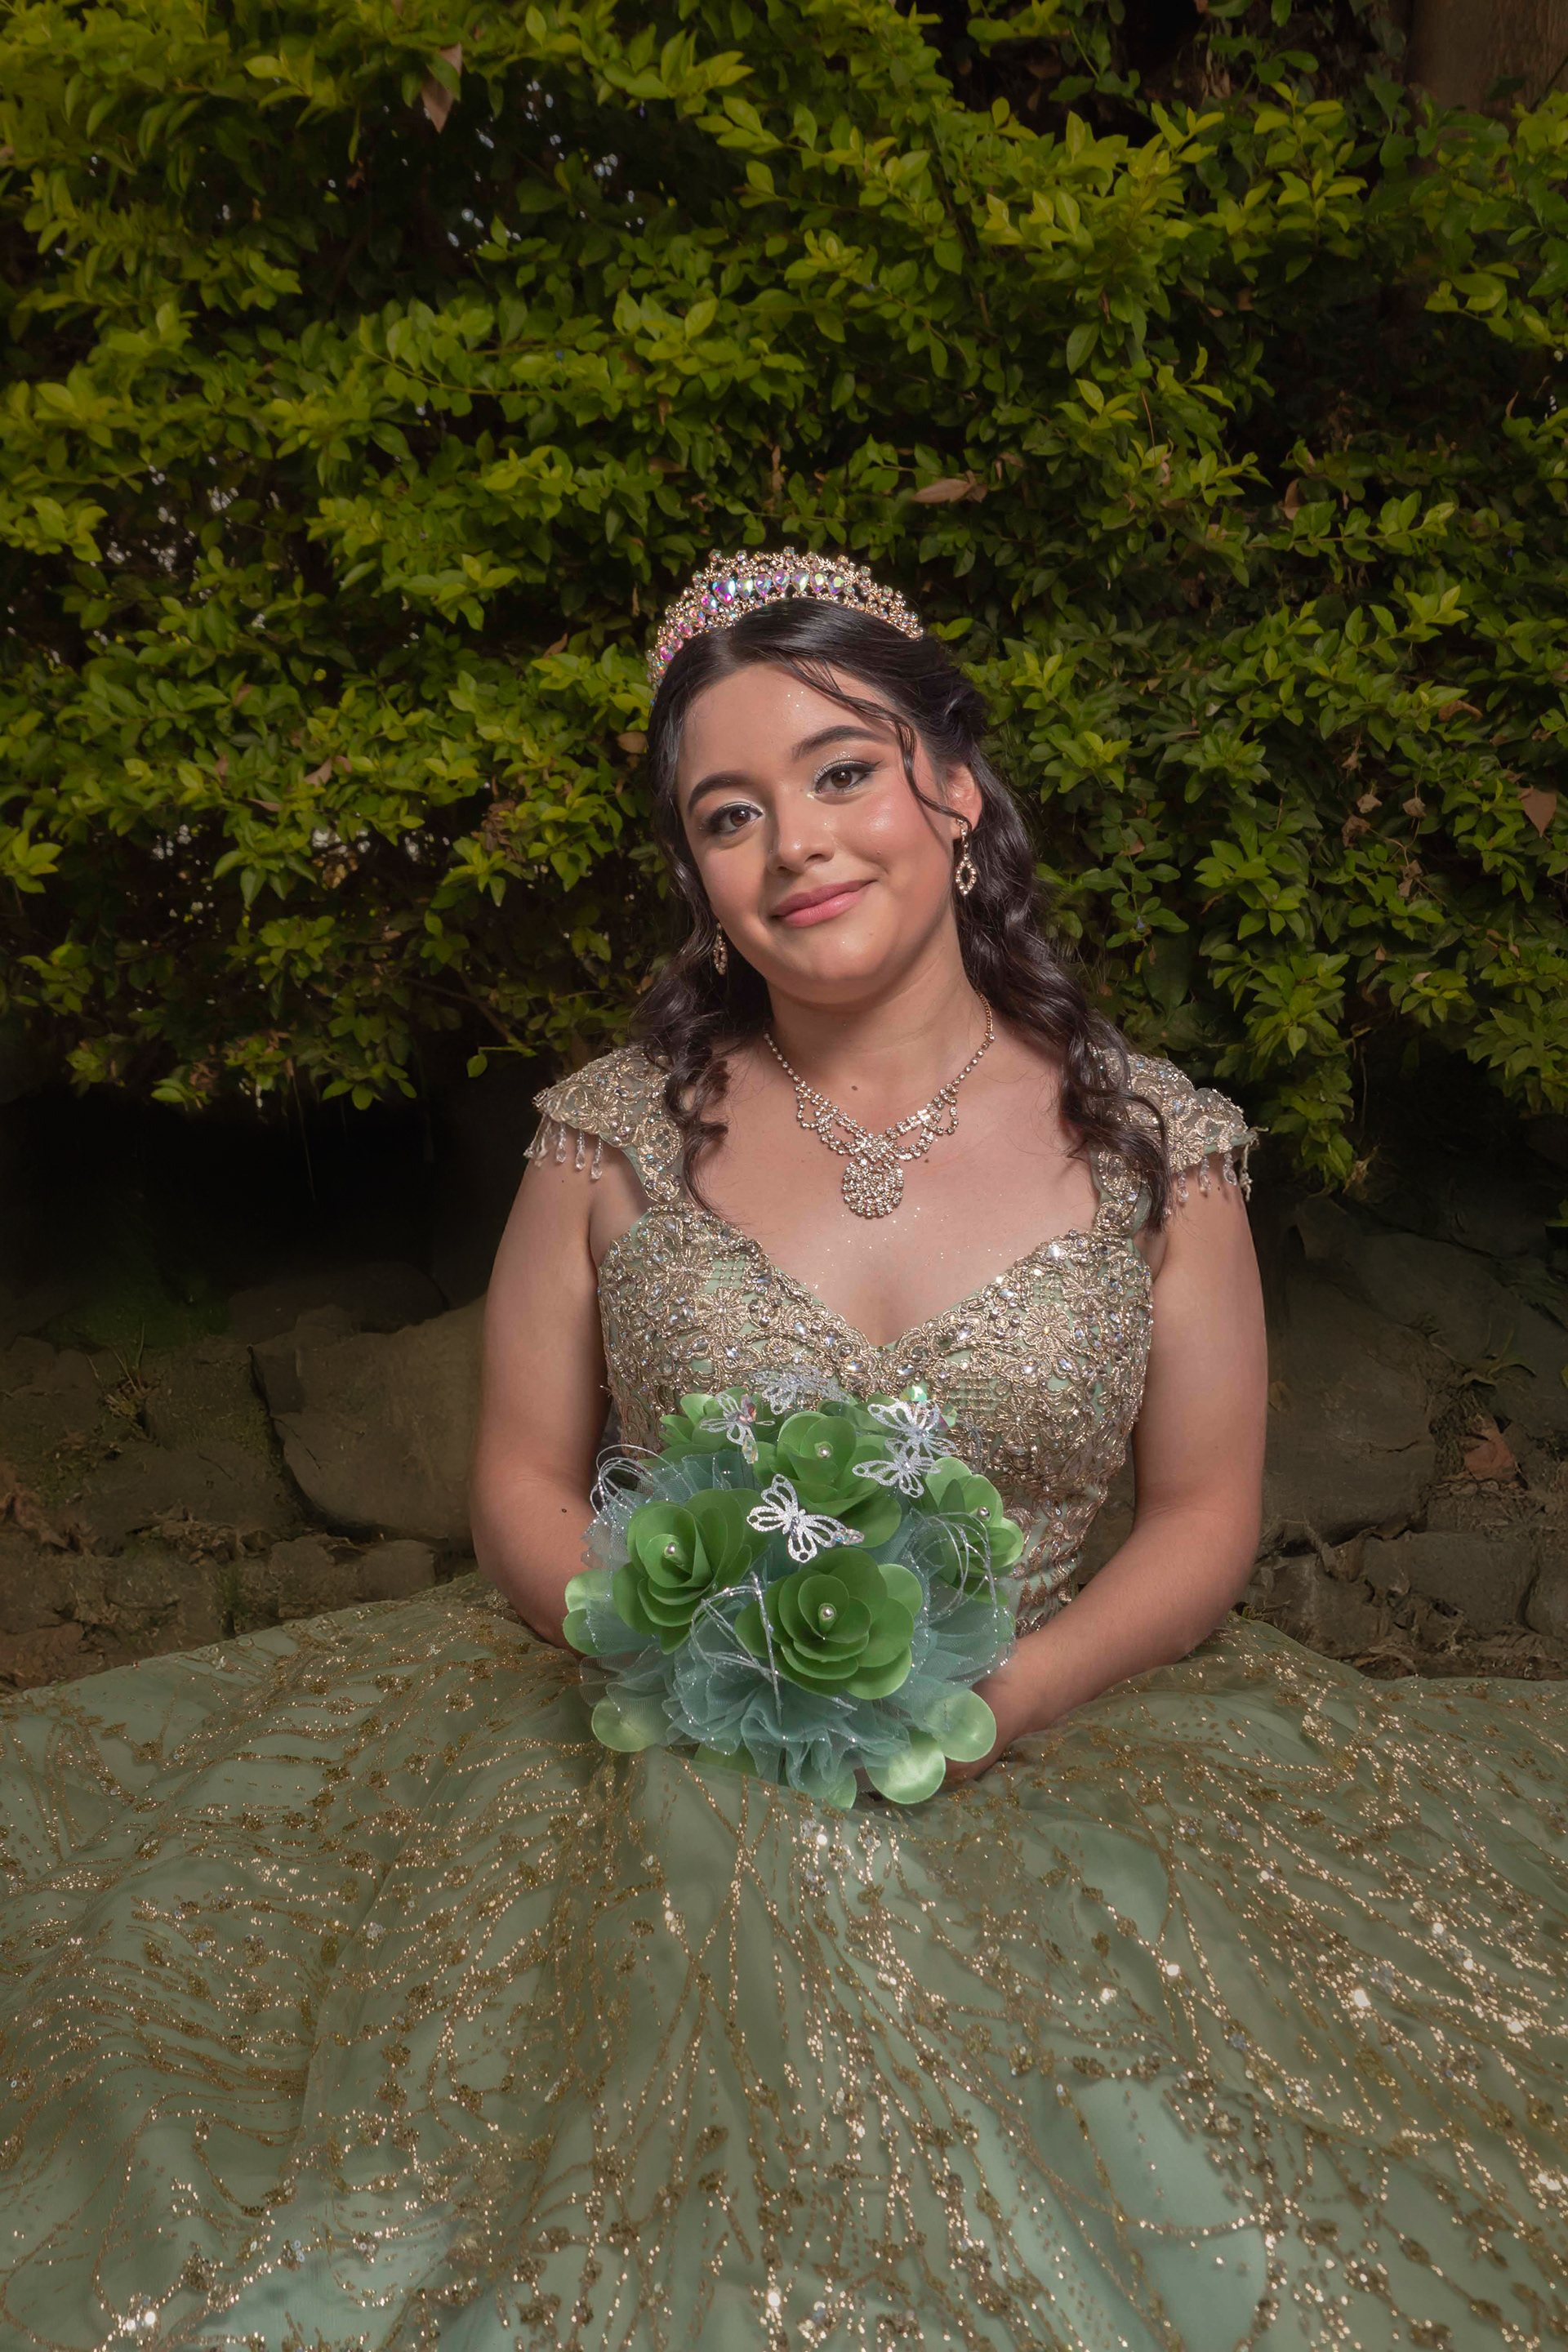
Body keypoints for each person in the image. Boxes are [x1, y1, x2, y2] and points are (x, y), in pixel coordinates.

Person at [1, 553, 1564, 2352]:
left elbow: (1206, 1518)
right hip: (657, 1720)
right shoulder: (608, 1136)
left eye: (842, 772)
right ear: (698, 875)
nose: (794, 844)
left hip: (1049, 1729)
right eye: (728, 814)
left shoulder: (1156, 1147)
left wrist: (995, 1709)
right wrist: (679, 1672)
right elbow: (519, 1485)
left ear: (953, 789)